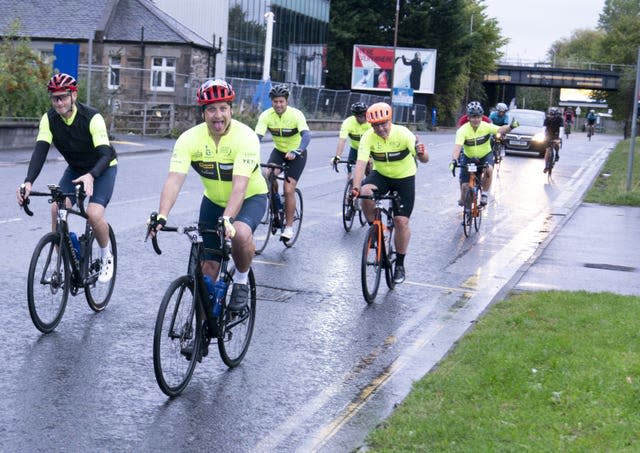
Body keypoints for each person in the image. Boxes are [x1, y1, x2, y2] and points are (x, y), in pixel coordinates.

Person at [148, 79, 268, 312]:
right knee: (208, 269)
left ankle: (242, 280)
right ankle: (200, 332)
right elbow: (174, 180)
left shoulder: (246, 137)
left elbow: (240, 187)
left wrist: (228, 219)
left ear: (231, 110)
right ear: (203, 113)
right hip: (213, 201)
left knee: (241, 234)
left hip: (249, 197)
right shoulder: (189, 139)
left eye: (223, 108)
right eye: (211, 109)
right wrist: (162, 215)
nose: (218, 115)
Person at [16, 73, 117, 283]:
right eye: (54, 98)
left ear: (73, 95)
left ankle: (106, 255)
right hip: (76, 169)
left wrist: (91, 175)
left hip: (103, 168)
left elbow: (105, 154)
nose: (59, 102)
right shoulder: (49, 119)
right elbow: (40, 151)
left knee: (93, 214)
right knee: (57, 208)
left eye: (63, 97)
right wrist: (28, 182)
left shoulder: (91, 117)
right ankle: (64, 250)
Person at [351, 102, 429, 284]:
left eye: (383, 123)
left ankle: (400, 264)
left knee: (401, 221)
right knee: (365, 192)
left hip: (404, 178)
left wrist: (422, 152)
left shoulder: (403, 134)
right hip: (382, 176)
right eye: (376, 125)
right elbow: (361, 164)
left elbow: (424, 160)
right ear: (370, 125)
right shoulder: (368, 137)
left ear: (390, 120)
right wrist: (355, 187)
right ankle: (376, 230)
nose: (380, 128)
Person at [255, 83, 311, 241]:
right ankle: (277, 205)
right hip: (279, 151)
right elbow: (256, 137)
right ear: (271, 102)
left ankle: (289, 227)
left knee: (288, 189)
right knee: (268, 174)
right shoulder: (266, 115)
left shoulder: (296, 115)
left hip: (296, 153)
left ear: (286, 101)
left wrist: (297, 150)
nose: (278, 105)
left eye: (281, 101)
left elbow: (306, 136)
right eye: (275, 101)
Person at [450, 101, 514, 207]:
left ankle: (484, 194)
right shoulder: (462, 130)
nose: (476, 120)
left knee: (489, 169)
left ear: (481, 117)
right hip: (468, 157)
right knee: (465, 186)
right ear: (468, 118)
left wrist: (510, 127)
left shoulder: (486, 126)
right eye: (473, 117)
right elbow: (457, 148)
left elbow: (501, 129)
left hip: (485, 155)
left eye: (478, 117)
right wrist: (454, 160)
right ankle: (464, 201)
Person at [332, 102, 371, 179]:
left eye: (364, 115)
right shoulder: (348, 123)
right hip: (355, 149)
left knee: (370, 171)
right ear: (355, 116)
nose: (362, 118)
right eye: (359, 116)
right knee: (350, 171)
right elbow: (342, 141)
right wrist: (337, 156)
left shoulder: (371, 122)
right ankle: (351, 188)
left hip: (370, 149)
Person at [543, 107, 564, 173]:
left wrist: (560, 138)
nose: (551, 116)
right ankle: (546, 166)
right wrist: (543, 136)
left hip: (556, 134)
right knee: (547, 150)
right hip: (549, 134)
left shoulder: (560, 119)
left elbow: (561, 129)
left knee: (556, 144)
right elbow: (544, 128)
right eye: (550, 114)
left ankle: (557, 153)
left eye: (553, 115)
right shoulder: (547, 119)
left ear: (555, 115)